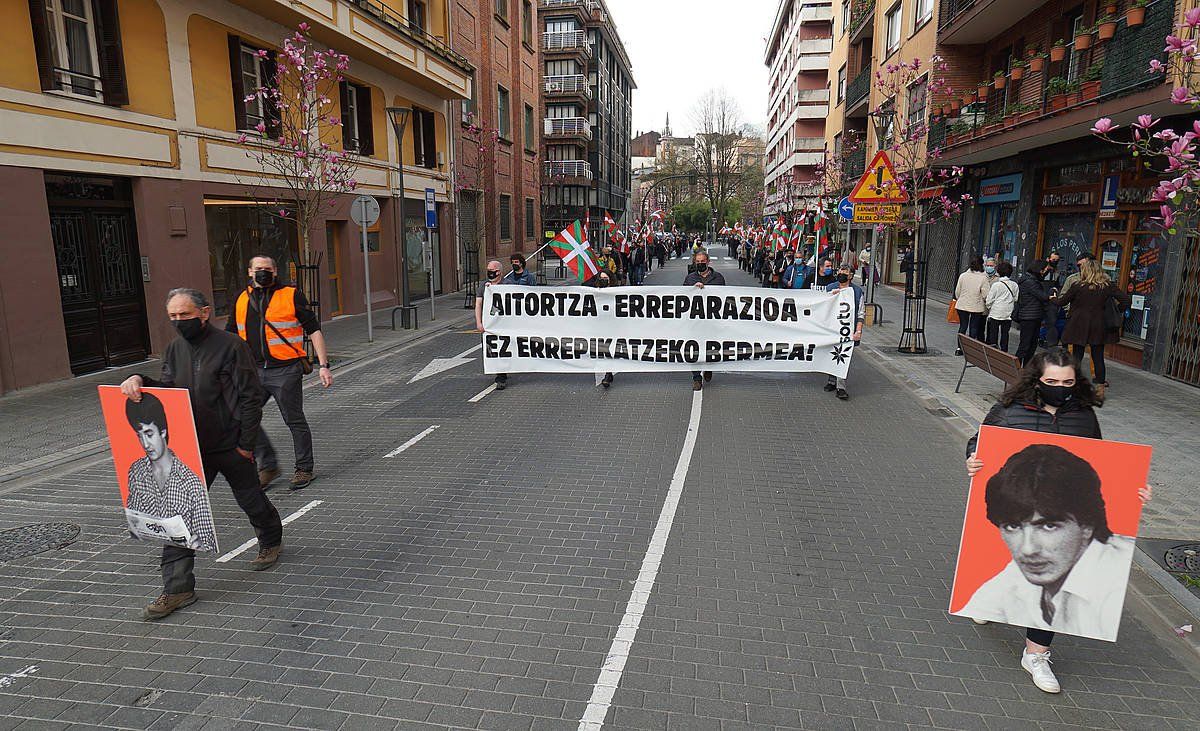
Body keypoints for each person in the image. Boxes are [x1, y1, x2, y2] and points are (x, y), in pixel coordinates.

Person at [964, 348, 1151, 693]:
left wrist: (1131, 493)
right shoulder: (1009, 410)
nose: (1059, 388)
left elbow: (1102, 462)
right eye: (1051, 381)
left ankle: (1036, 653)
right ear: (1037, 379)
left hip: (1062, 510)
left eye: (1067, 382)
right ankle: (989, 607)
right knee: (1011, 576)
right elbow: (980, 442)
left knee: (1053, 577)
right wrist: (973, 458)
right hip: (1018, 503)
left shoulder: (1083, 415)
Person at [121, 288, 283, 620]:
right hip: (191, 450)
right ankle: (178, 588)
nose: (179, 321)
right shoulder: (174, 349)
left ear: (204, 313)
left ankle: (270, 537)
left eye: (185, 314)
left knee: (250, 499)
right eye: (173, 316)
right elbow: (168, 392)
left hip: (231, 445)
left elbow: (251, 398)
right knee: (177, 514)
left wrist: (246, 445)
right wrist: (140, 380)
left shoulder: (231, 347)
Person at [960, 443, 1136, 643]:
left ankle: (1036, 655)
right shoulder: (1018, 576)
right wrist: (976, 454)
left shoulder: (1110, 588)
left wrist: (1135, 491)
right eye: (1012, 526)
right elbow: (982, 602)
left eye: (1048, 526)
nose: (1027, 549)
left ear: (1087, 525)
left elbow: (1097, 448)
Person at [227, 255, 332, 491]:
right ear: (250, 272)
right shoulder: (241, 298)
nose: (262, 272)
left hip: (286, 370)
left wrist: (323, 366)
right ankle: (269, 466)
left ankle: (304, 468)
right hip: (252, 370)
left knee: (293, 420)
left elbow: (314, 330)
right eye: (258, 269)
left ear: (275, 271)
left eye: (267, 269)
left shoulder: (291, 295)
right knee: (241, 417)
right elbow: (230, 335)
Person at [123, 392, 217, 553]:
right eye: (140, 436)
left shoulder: (191, 483)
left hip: (180, 548)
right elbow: (135, 521)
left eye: (149, 434)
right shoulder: (136, 471)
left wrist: (202, 542)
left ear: (163, 432)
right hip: (167, 543)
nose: (145, 444)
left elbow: (206, 537)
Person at [1053, 258, 1132, 390]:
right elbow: (1126, 300)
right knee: (1098, 355)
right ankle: (1099, 388)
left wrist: (1053, 299)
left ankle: (1074, 385)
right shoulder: (1106, 286)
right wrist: (1118, 310)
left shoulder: (1078, 286)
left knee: (1077, 355)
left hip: (1078, 324)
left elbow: (1062, 302)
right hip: (1098, 325)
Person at [684, 250, 725, 391]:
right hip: (695, 321)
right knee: (694, 348)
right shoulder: (689, 278)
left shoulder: (718, 278)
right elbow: (682, 297)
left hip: (712, 321)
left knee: (710, 347)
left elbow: (725, 297)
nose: (700, 264)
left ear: (708, 262)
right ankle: (696, 378)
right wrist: (693, 289)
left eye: (703, 261)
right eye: (698, 262)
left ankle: (708, 368)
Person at [823, 265, 864, 400]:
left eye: (845, 272)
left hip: (846, 330)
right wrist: (829, 296)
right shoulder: (830, 288)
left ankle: (841, 387)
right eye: (840, 271)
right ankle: (831, 381)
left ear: (851, 276)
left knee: (842, 356)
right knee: (831, 354)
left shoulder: (857, 292)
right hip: (831, 329)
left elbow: (860, 313)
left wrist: (858, 330)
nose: (841, 273)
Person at [475, 260, 513, 390]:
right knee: (490, 349)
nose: (490, 272)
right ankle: (499, 371)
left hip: (504, 324)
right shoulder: (483, 286)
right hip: (489, 325)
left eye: (492, 270)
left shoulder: (508, 285)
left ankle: (501, 377)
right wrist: (479, 322)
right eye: (488, 270)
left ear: (499, 272)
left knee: (503, 349)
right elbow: (478, 304)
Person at [1014, 259, 1051, 366]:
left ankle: (1025, 368)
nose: (1044, 272)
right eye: (1044, 270)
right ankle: (1017, 369)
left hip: (1031, 316)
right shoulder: (1031, 282)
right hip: (1029, 317)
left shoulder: (1029, 279)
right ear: (1039, 269)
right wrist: (1051, 295)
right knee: (1026, 345)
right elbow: (1043, 296)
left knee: (1031, 345)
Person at [953, 257, 991, 353]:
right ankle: (969, 349)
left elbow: (957, 292)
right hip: (976, 306)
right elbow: (985, 295)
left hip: (962, 305)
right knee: (973, 327)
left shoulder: (963, 275)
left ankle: (959, 348)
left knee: (963, 326)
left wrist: (960, 298)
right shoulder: (983, 278)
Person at [984, 261, 1019, 353]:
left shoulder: (996, 285)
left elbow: (989, 300)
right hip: (1008, 313)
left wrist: (990, 307)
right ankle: (1004, 351)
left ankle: (993, 351)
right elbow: (1016, 298)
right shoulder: (1015, 285)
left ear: (998, 272)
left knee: (993, 333)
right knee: (1005, 334)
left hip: (995, 312)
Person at [1042, 252, 1064, 347]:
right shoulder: (1042, 270)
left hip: (1052, 300)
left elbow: (1057, 284)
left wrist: (1056, 289)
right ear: (1048, 259)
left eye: (1057, 260)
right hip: (1042, 298)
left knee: (1051, 321)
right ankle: (1041, 338)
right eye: (1053, 260)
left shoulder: (1056, 272)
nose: (1055, 262)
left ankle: (1049, 341)